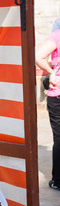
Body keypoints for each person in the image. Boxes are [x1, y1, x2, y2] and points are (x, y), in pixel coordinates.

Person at [36, 29, 60, 190]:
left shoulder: (57, 35)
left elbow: (38, 56)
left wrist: (52, 72)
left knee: (59, 139)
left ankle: (57, 180)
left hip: (57, 93)